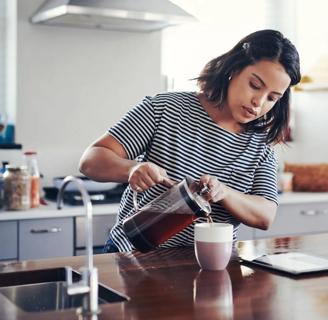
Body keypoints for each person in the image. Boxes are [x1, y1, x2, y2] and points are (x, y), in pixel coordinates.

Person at [79, 30, 301, 253]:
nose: (258, 102)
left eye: (272, 98)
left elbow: (265, 215)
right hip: (132, 255)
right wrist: (131, 169)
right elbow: (91, 159)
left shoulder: (261, 144)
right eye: (254, 85)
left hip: (208, 264)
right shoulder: (166, 108)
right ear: (234, 69)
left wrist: (225, 193)